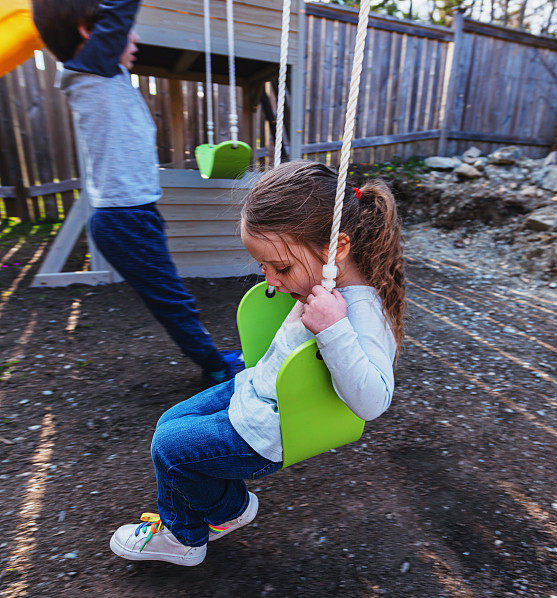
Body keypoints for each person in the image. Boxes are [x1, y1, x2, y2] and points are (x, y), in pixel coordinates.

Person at [107, 161, 406, 565]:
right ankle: (228, 509)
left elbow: (373, 402)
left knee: (171, 450)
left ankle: (184, 538)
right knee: (169, 423)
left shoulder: (361, 313)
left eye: (280, 268)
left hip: (272, 429)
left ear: (336, 248)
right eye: (263, 268)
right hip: (255, 389)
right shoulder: (321, 280)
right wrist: (292, 281)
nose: (270, 282)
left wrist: (334, 329)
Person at [32, 0, 244, 384]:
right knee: (173, 299)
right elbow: (119, 11)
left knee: (171, 296)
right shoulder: (89, 70)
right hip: (124, 218)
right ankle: (216, 367)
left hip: (133, 214)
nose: (135, 36)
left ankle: (212, 360)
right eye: (126, 30)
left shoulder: (100, 77)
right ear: (88, 30)